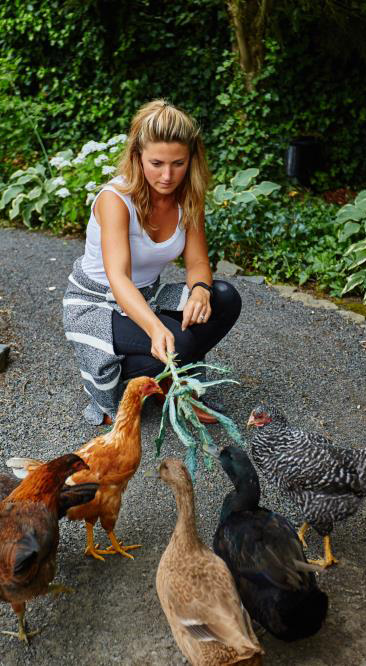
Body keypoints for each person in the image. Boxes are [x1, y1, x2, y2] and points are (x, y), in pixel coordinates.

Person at [62, 99, 242, 426]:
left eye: (178, 163)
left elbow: (198, 262)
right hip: (96, 304)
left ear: (191, 159)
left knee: (224, 298)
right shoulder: (115, 200)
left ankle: (169, 379)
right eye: (156, 163)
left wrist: (200, 291)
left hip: (147, 297)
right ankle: (125, 385)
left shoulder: (188, 197)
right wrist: (156, 328)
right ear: (137, 156)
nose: (167, 175)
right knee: (178, 341)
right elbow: (118, 278)